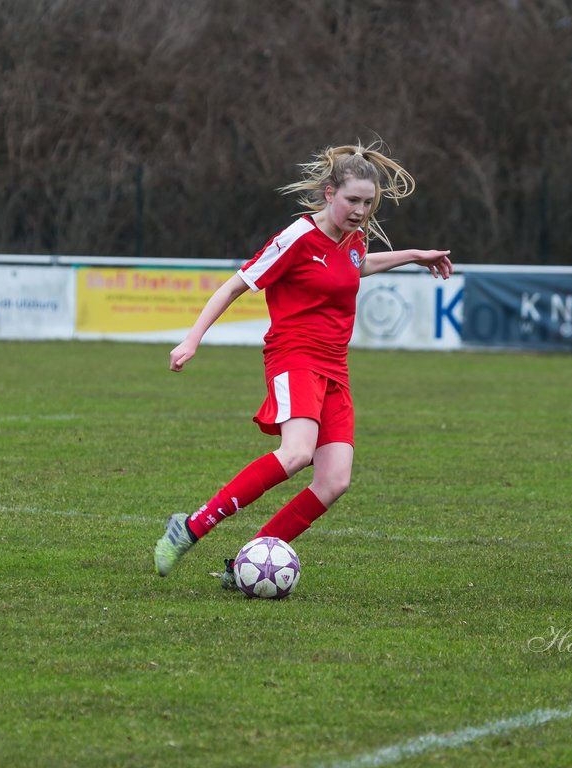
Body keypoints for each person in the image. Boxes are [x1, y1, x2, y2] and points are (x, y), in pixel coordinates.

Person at [153, 141, 453, 587]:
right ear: (330, 193)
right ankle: (192, 525)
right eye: (352, 200)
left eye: (368, 203)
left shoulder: (354, 238)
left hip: (335, 367)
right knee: (296, 454)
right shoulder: (295, 238)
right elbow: (235, 285)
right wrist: (193, 338)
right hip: (294, 356)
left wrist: (412, 255)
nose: (360, 211)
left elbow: (355, 265)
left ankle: (242, 567)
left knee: (334, 481)